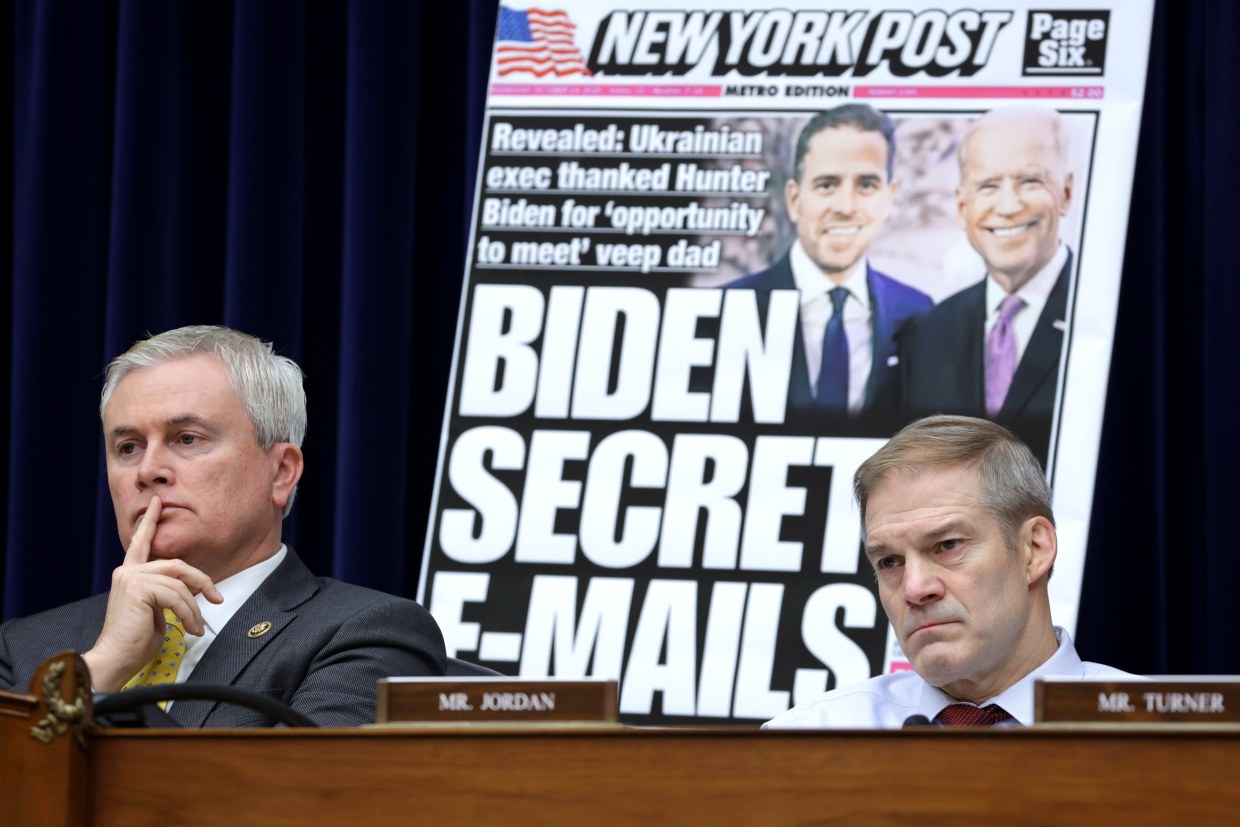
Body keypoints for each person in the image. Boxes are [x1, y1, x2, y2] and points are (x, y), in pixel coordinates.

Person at [0, 325, 447, 726]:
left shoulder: (368, 634)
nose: (148, 469)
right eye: (129, 447)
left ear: (281, 472)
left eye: (187, 439)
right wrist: (101, 670)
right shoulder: (26, 647)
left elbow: (297, 804)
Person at [764, 415, 1135, 728]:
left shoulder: (1158, 734)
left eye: (948, 545)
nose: (915, 588)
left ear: (1034, 551)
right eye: (889, 562)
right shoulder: (806, 740)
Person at [899, 106, 1074, 466]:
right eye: (988, 186)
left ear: (1066, 193)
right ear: (963, 207)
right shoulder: (926, 335)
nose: (1009, 205)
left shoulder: (1112, 320)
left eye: (1030, 181)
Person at [730, 103, 931, 415]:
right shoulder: (729, 308)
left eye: (866, 185)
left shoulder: (919, 313)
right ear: (794, 200)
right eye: (827, 185)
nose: (845, 206)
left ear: (889, 197)